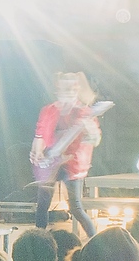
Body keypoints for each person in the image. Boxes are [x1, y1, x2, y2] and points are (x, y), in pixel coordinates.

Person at [31, 70, 108, 230]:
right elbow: (40, 134)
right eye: (65, 89)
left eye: (72, 90)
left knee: (76, 209)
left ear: (76, 90)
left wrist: (91, 131)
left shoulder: (84, 112)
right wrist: (37, 151)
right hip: (51, 162)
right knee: (42, 206)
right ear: (58, 90)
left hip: (72, 164)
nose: (69, 93)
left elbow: (95, 139)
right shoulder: (49, 110)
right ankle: (38, 241)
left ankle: (94, 241)